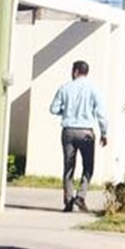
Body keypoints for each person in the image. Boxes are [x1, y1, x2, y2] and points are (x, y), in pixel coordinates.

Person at [48, 59, 108, 212]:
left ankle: (68, 200)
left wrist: (66, 112)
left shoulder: (65, 88)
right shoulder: (93, 89)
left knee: (69, 166)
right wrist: (104, 133)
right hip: (86, 131)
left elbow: (53, 109)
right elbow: (101, 114)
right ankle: (81, 197)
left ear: (75, 71)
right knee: (88, 166)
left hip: (68, 130)